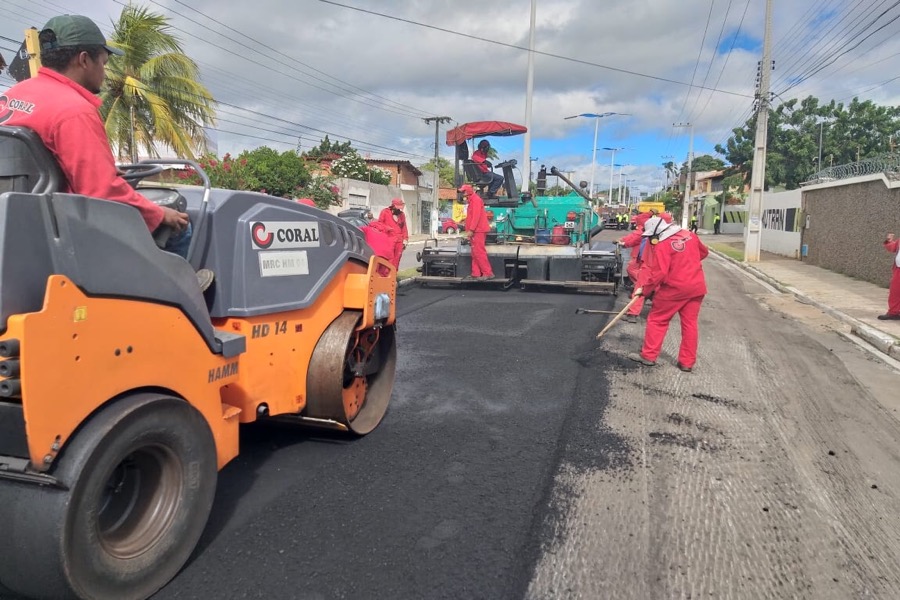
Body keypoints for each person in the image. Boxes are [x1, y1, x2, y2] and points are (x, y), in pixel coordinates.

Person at [0, 15, 212, 289]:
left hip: (20, 227)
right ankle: (176, 299)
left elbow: (38, 165)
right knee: (179, 227)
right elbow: (101, 193)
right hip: (65, 232)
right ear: (84, 59)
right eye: (104, 62)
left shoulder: (12, 97)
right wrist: (159, 214)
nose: (105, 70)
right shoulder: (74, 111)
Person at [628, 215, 709, 372]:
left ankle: (649, 356)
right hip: (696, 287)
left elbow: (659, 273)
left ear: (657, 232)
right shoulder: (690, 235)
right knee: (690, 324)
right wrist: (687, 263)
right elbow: (703, 253)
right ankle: (687, 363)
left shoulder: (663, 245)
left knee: (657, 320)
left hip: (674, 290)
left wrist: (645, 290)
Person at [458, 184, 494, 280]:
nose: (462, 193)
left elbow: (476, 216)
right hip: (476, 230)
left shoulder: (476, 200)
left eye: (464, 191)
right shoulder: (472, 200)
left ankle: (488, 273)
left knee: (479, 252)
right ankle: (476, 273)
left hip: (478, 230)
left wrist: (471, 230)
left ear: (468, 191)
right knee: (475, 252)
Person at [377, 198, 408, 271]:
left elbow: (404, 228)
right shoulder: (385, 212)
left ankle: (393, 277)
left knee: (396, 260)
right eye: (397, 207)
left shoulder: (402, 215)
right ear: (393, 206)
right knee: (387, 259)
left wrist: (405, 240)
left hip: (399, 240)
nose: (399, 210)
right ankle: (385, 277)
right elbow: (379, 225)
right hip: (388, 240)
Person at [879, 232, 900, 320]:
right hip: (898, 270)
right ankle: (893, 312)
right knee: (895, 291)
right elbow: (893, 247)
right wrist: (889, 241)